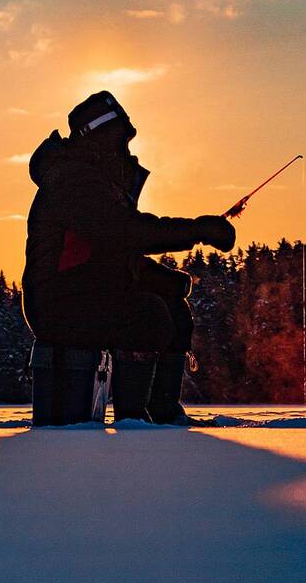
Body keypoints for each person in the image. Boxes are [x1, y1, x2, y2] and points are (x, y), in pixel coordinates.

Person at [21, 91, 235, 424]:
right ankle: (134, 419)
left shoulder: (96, 181)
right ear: (103, 138)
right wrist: (197, 230)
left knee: (174, 308)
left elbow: (112, 252)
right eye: (122, 140)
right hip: (58, 303)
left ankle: (162, 413)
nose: (127, 151)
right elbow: (124, 232)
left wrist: (162, 280)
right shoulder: (74, 181)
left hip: (87, 292)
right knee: (148, 316)